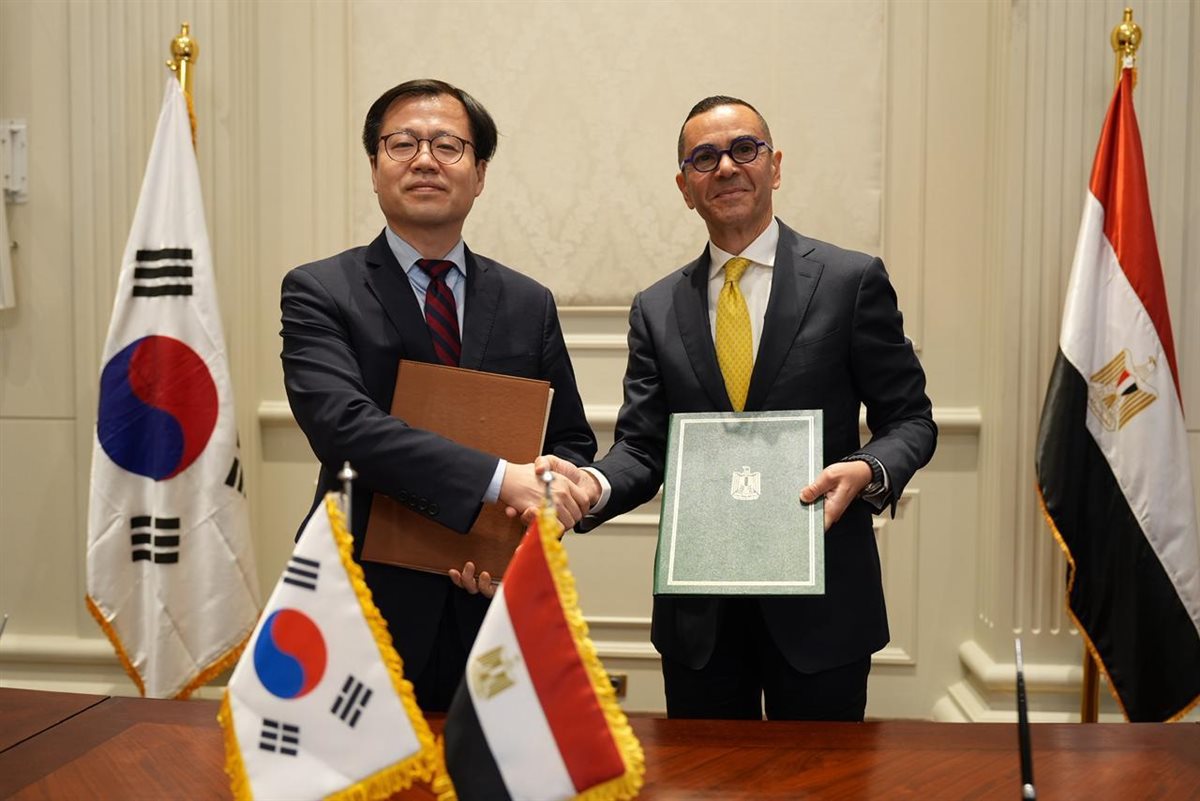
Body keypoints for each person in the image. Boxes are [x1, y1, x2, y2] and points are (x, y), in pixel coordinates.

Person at [540, 96, 936, 720]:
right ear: (685, 188)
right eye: (704, 158)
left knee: (821, 776)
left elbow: (910, 419)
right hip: (701, 617)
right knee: (705, 773)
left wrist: (867, 468)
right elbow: (642, 446)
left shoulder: (850, 281)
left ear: (774, 167)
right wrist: (592, 484)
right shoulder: (656, 307)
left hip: (823, 605)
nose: (726, 167)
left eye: (743, 149)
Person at [280, 79, 596, 711]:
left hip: (493, 603)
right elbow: (344, 428)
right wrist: (502, 482)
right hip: (361, 600)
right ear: (374, 167)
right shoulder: (320, 290)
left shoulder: (527, 301)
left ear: (480, 175)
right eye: (403, 144)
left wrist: (532, 525)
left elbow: (568, 440)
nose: (424, 159)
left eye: (448, 145)